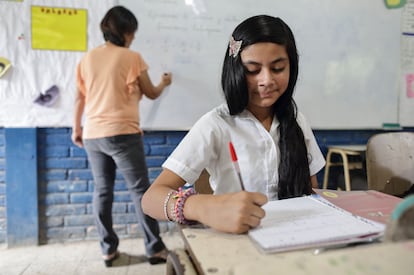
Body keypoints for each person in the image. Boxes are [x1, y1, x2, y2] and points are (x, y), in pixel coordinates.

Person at [141, 15, 325, 234]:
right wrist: (201, 207)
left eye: (277, 68)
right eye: (252, 70)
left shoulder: (296, 120)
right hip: (239, 244)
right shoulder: (216, 124)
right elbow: (151, 198)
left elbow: (312, 192)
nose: (266, 80)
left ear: (291, 68)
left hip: (297, 237)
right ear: (236, 69)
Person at [71, 6, 172, 267]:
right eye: (133, 32)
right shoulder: (131, 57)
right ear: (126, 32)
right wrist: (164, 82)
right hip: (123, 133)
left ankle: (107, 250)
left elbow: (79, 98)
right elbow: (150, 92)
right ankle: (155, 249)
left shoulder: (87, 59)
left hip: (93, 134)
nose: (134, 37)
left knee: (102, 191)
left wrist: (76, 128)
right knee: (140, 191)